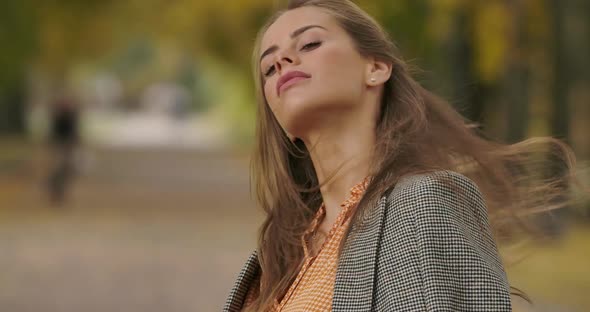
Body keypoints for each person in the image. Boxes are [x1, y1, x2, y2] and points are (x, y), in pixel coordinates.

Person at [224, 0, 582, 311]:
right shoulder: (280, 254)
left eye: (310, 43)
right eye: (269, 68)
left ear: (376, 68)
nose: (284, 61)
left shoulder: (423, 203)